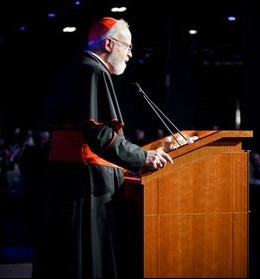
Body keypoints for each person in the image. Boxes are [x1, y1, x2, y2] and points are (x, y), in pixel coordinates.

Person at [31, 17, 173, 278]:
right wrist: (143, 157)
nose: (130, 54)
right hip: (86, 184)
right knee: (86, 261)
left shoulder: (72, 68)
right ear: (109, 43)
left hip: (63, 178)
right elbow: (101, 136)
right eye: (127, 46)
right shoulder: (94, 72)